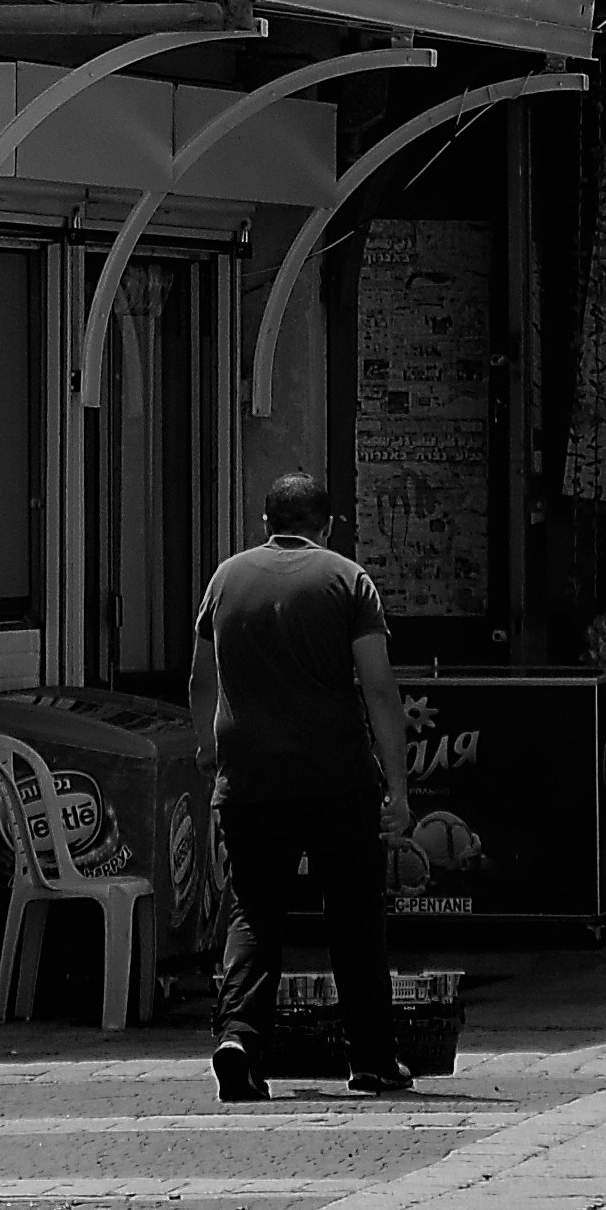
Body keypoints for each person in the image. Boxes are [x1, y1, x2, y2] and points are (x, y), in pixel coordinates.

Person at [187, 469, 411, 1100]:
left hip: (249, 777)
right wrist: (397, 787)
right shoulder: (348, 580)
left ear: (266, 523)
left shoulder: (224, 579)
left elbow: (203, 677)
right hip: (337, 777)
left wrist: (207, 746)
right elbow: (379, 687)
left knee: (255, 910)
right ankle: (371, 1058)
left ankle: (238, 1037)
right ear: (328, 525)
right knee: (355, 914)